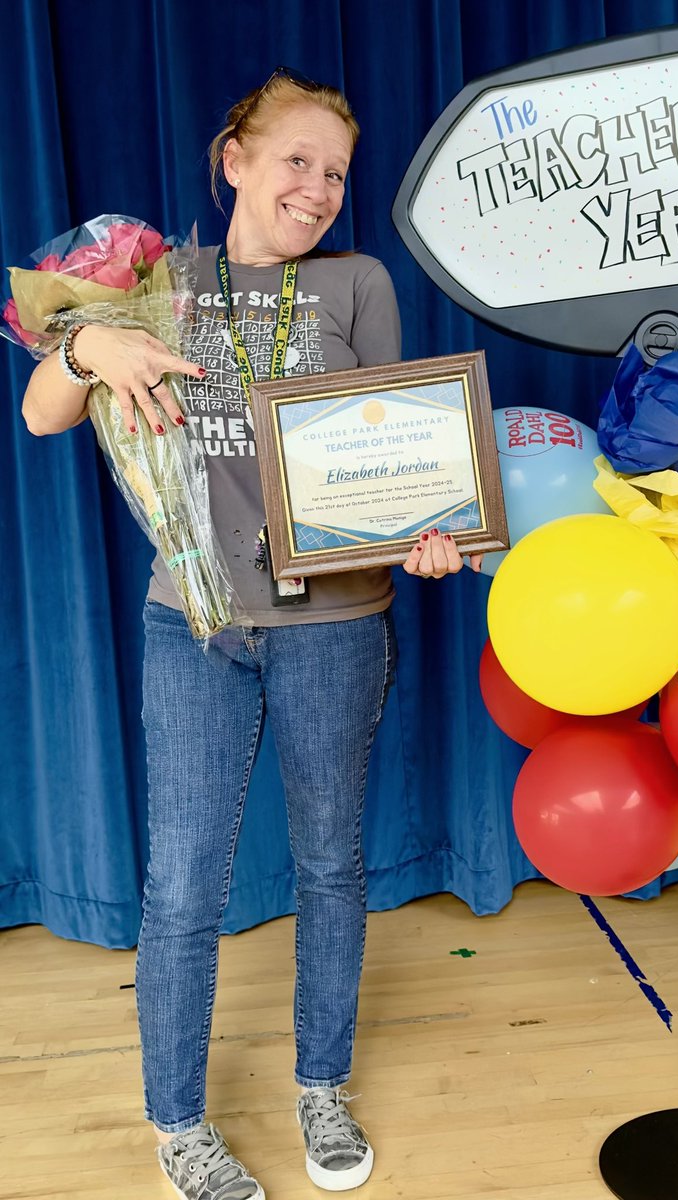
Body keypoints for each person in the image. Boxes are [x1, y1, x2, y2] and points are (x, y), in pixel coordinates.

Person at [22, 68, 481, 1199]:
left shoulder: (360, 282)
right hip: (194, 624)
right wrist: (90, 355)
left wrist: (426, 537)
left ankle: (320, 1086)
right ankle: (178, 1125)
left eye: (336, 173)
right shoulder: (154, 282)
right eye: (297, 161)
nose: (319, 188)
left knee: (333, 866)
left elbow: (400, 459)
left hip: (340, 624)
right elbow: (40, 411)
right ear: (235, 158)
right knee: (181, 886)